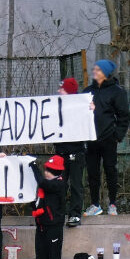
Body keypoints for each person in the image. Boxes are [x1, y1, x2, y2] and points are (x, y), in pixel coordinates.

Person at [83, 60, 130, 216]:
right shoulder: (87, 91)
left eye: (98, 69)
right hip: (91, 138)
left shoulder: (117, 92)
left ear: (105, 73)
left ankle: (112, 203)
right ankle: (95, 204)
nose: (94, 71)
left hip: (108, 138)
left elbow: (124, 116)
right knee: (92, 173)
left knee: (111, 170)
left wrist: (117, 135)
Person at [24, 155, 67, 259]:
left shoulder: (59, 184)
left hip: (54, 227)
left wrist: (34, 166)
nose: (47, 172)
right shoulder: (45, 187)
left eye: (51, 171)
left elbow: (43, 183)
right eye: (47, 170)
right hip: (41, 227)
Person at [56, 77, 86, 226]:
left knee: (75, 185)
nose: (58, 91)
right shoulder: (55, 107)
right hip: (60, 153)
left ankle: (75, 214)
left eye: (61, 89)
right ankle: (59, 213)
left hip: (75, 152)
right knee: (59, 185)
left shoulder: (81, 108)